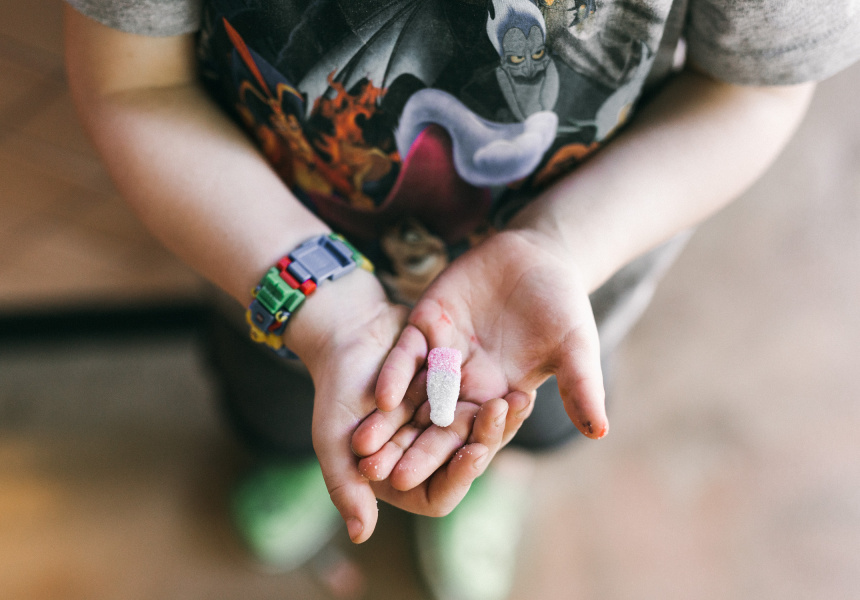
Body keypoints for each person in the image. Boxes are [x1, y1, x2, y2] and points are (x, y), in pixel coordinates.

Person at [63, 0, 858, 598]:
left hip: (560, 303)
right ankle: (300, 458)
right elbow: (136, 85)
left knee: (530, 421)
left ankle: (495, 479)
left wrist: (561, 244)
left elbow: (754, 90)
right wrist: (322, 307)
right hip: (269, 279)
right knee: (274, 408)